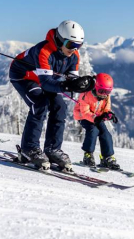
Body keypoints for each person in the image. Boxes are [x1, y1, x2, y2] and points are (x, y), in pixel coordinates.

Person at [9, 20, 95, 170]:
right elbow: (47, 83)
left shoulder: (74, 56)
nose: (74, 49)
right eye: (70, 45)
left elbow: (70, 79)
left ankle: (52, 149)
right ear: (60, 39)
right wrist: (67, 85)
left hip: (46, 79)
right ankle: (29, 148)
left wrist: (82, 84)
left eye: (78, 46)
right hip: (24, 77)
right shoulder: (44, 51)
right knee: (40, 103)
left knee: (60, 107)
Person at [73, 73, 120, 170]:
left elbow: (106, 108)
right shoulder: (85, 94)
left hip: (96, 117)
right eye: (101, 91)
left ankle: (107, 158)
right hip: (83, 117)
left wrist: (108, 114)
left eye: (107, 92)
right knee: (93, 130)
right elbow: (85, 112)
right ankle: (88, 155)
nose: (104, 94)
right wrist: (96, 118)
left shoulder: (106, 96)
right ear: (96, 86)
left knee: (105, 133)